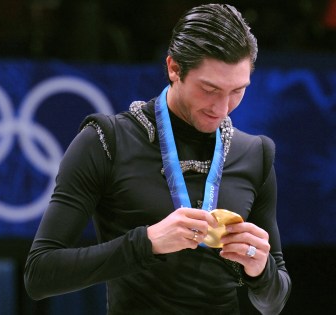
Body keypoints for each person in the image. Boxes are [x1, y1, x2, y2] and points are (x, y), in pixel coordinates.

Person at [24, 3, 291, 314]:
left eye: (237, 91)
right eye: (209, 89)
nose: (222, 107)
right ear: (174, 68)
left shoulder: (255, 154)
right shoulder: (107, 141)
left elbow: (273, 302)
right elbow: (39, 274)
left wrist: (261, 270)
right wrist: (146, 243)